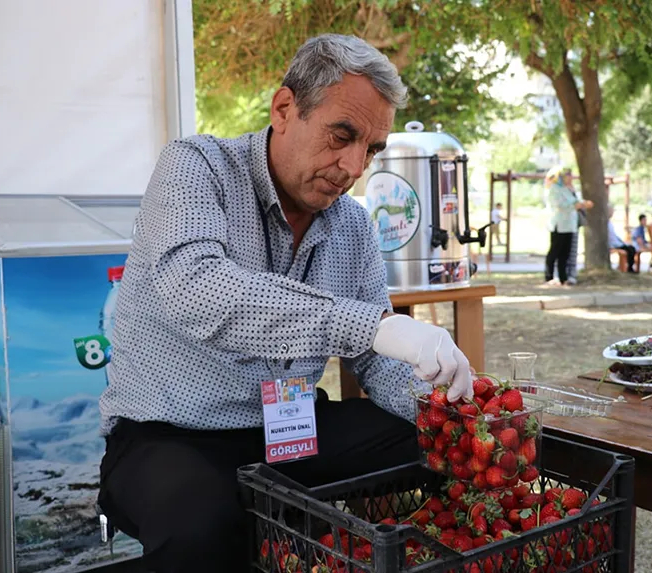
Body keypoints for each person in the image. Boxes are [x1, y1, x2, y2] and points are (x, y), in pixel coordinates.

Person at [96, 34, 473, 573]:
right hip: (169, 435)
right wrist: (373, 327)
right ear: (284, 109)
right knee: (204, 531)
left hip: (288, 428)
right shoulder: (195, 168)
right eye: (341, 136)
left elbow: (376, 362)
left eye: (370, 149)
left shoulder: (352, 225)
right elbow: (200, 289)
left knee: (442, 446)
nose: (352, 166)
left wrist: (444, 397)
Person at [544, 166, 593, 286]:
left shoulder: (569, 189)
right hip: (559, 224)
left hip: (570, 225)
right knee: (555, 251)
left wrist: (583, 204)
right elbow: (559, 204)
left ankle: (563, 277)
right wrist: (575, 206)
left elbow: (576, 201)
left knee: (565, 254)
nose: (570, 178)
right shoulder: (554, 189)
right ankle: (549, 276)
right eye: (568, 175)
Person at [608, 205, 637, 273]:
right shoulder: (606, 223)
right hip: (613, 244)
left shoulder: (609, 223)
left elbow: (614, 236)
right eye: (611, 211)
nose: (612, 213)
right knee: (630, 249)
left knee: (631, 248)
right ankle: (629, 268)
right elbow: (612, 238)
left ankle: (628, 267)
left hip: (616, 243)